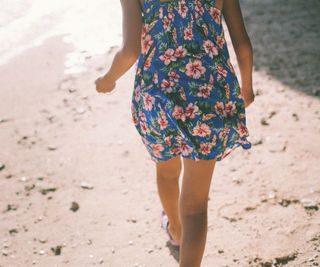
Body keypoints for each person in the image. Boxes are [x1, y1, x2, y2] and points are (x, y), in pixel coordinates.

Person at [95, 0, 255, 265]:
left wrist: (108, 79)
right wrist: (246, 88)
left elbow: (130, 51)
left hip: (157, 99)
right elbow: (243, 45)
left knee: (167, 172)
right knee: (194, 207)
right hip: (209, 99)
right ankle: (182, 233)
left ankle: (176, 230)